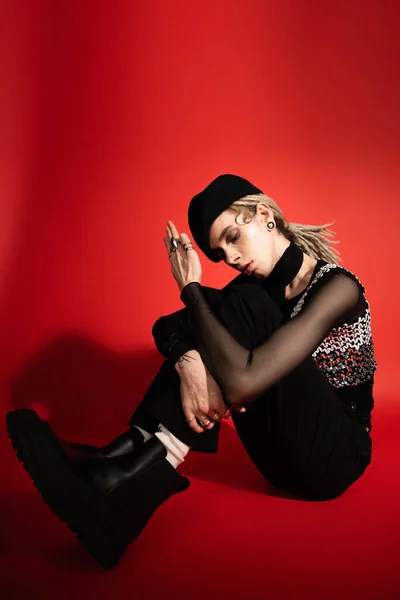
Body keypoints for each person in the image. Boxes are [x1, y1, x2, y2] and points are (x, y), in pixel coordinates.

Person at [6, 174, 376, 570]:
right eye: (219, 253)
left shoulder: (337, 287)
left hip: (334, 459)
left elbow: (242, 384)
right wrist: (191, 364)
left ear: (263, 214)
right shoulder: (251, 299)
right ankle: (115, 471)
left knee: (232, 312)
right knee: (216, 324)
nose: (230, 257)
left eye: (233, 236)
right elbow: (167, 327)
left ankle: (119, 474)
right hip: (276, 460)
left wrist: (190, 289)